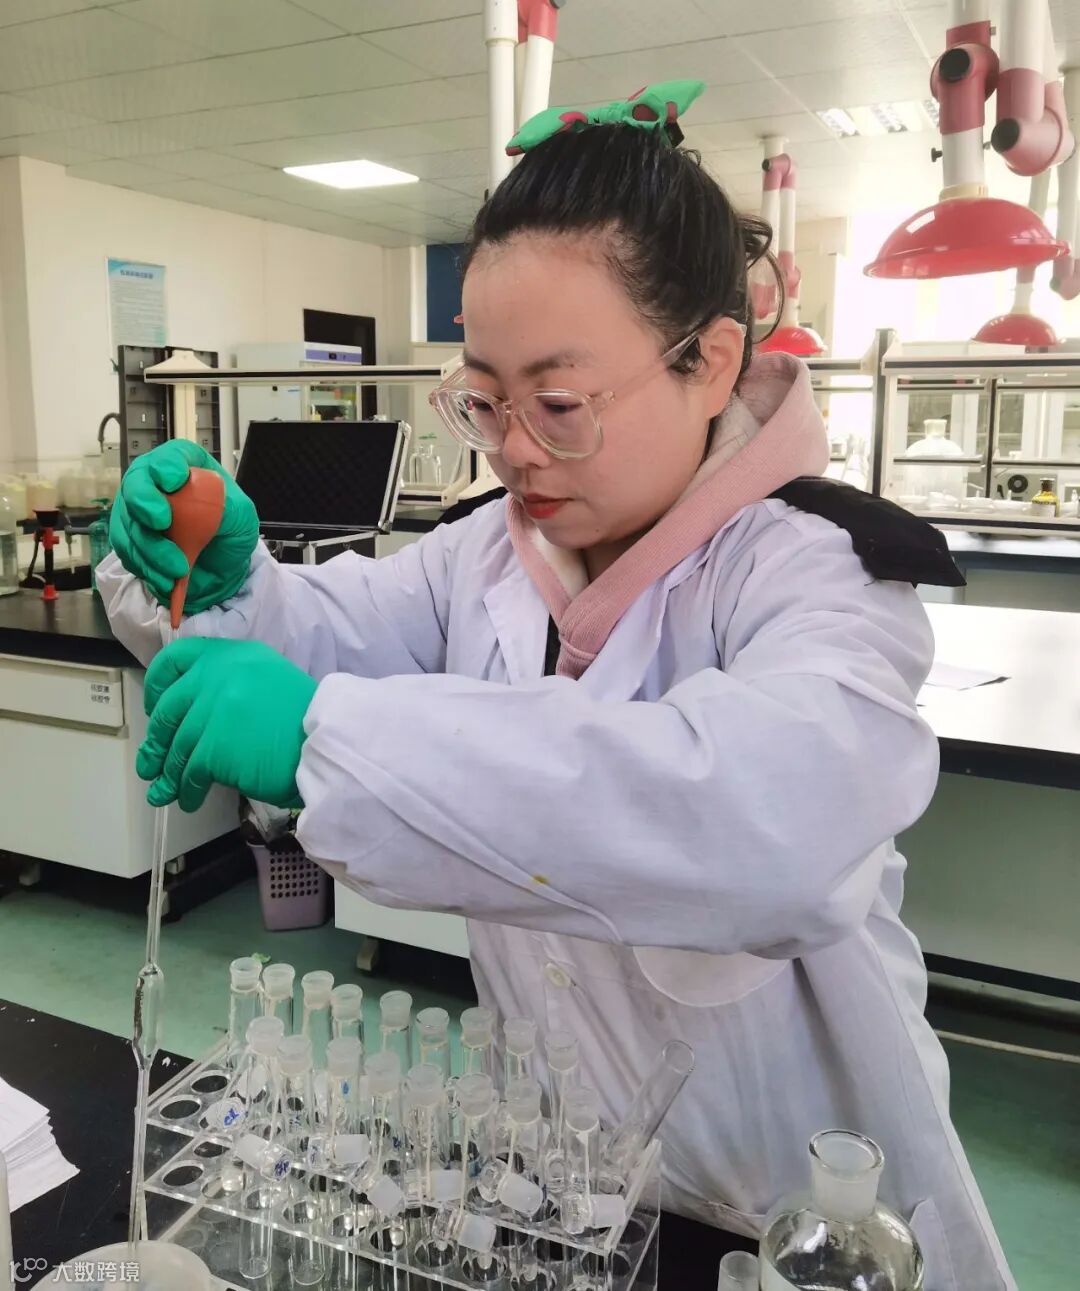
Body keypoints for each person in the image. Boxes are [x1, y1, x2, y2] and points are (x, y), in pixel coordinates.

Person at [99, 81, 1013, 1290]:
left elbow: (762, 821)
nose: (517, 447)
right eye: (485, 398)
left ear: (710, 361)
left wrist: (324, 737)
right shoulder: (486, 553)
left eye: (561, 403)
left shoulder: (823, 572)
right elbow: (323, 644)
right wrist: (228, 587)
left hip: (798, 1218)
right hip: (569, 1192)